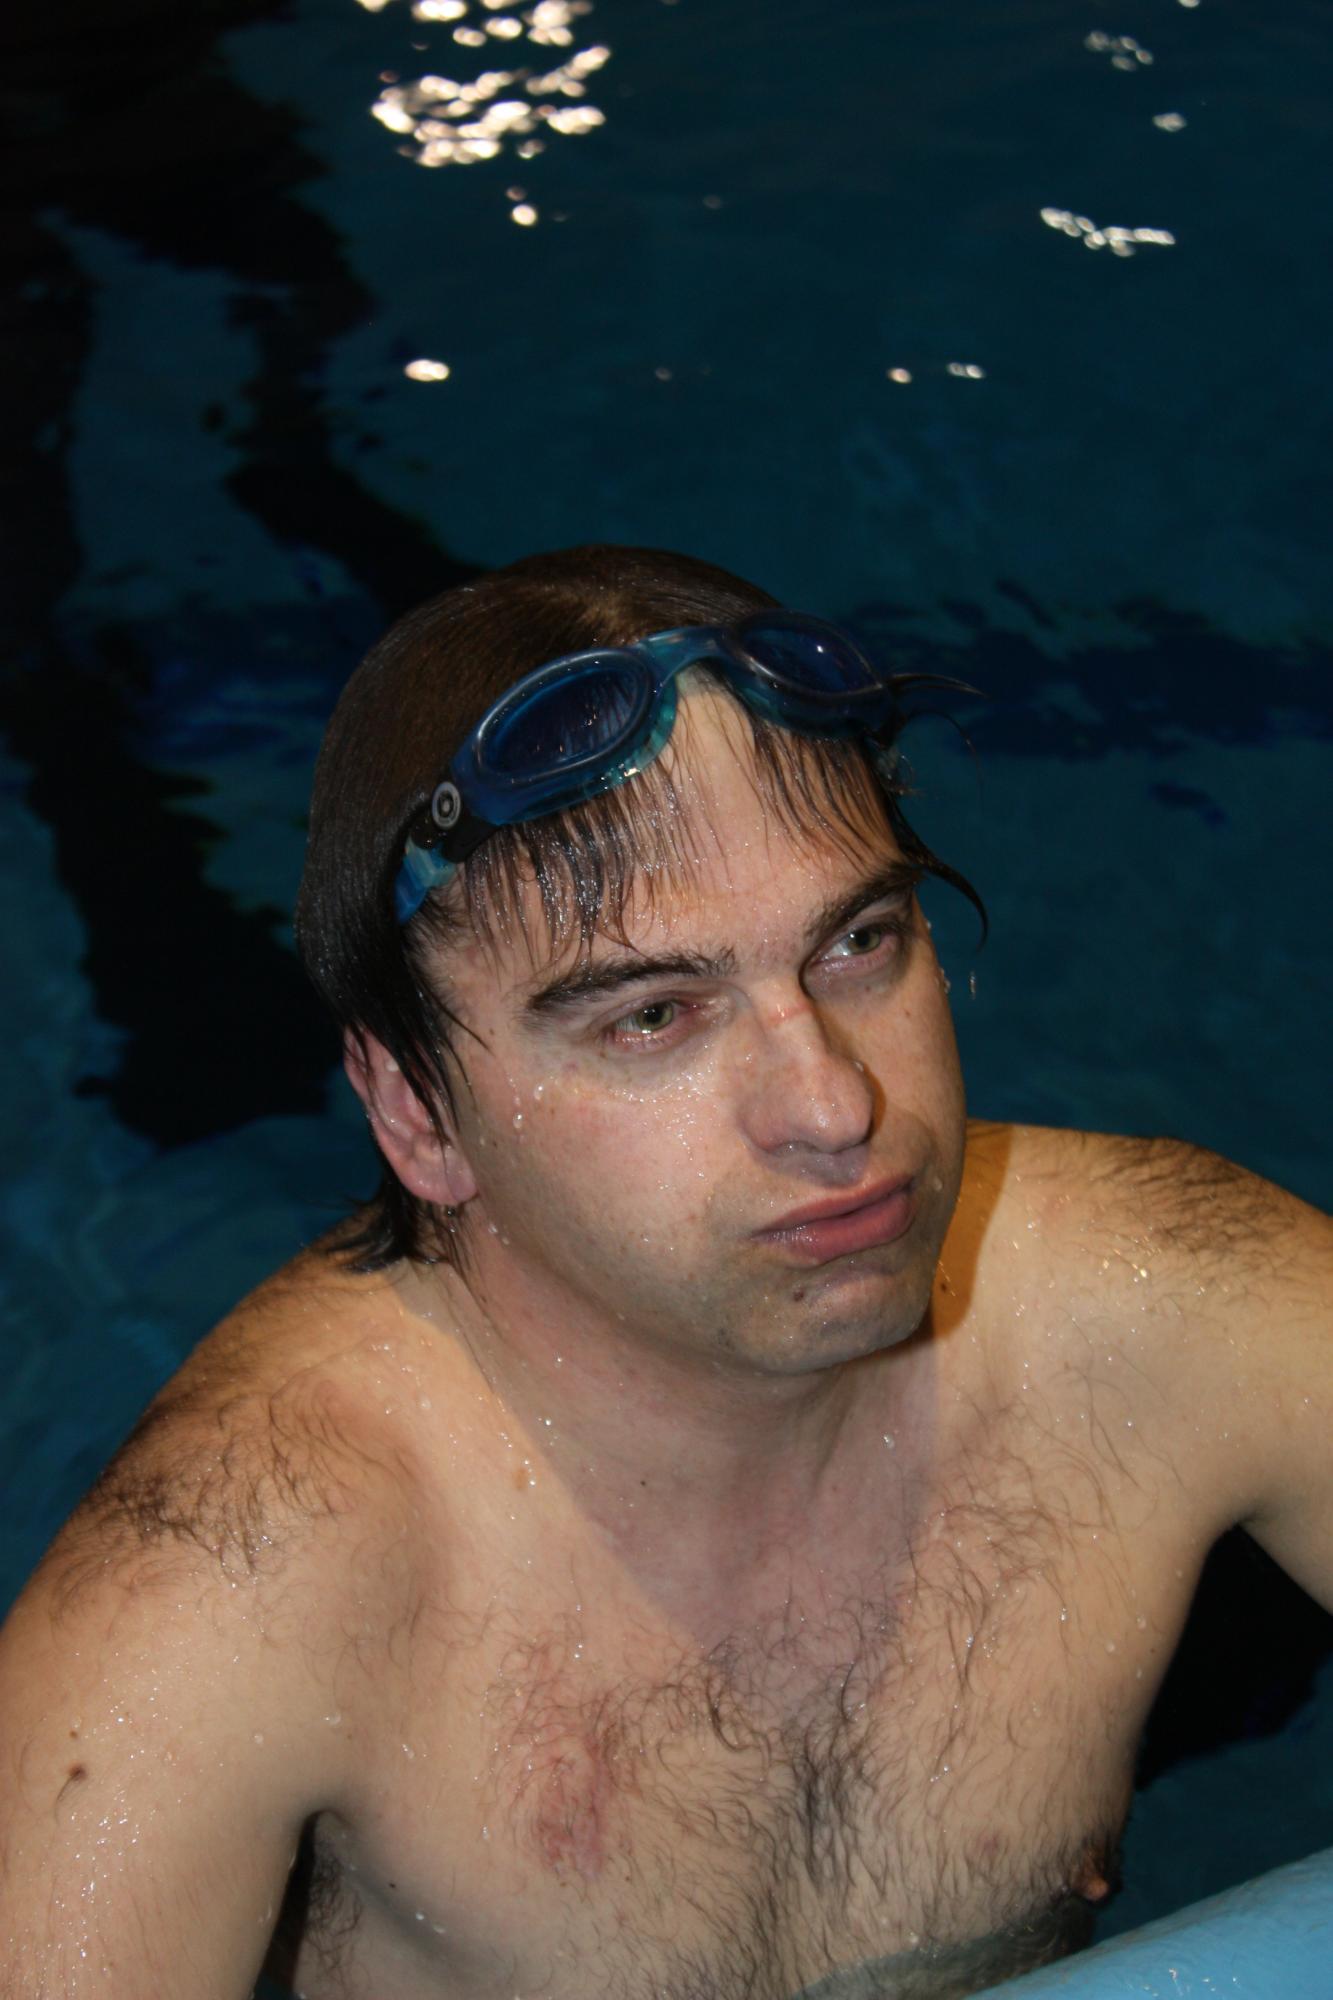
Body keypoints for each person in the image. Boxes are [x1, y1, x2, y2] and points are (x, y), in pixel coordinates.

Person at [2, 545, 1329, 2000]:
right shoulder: (228, 1594)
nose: (833, 1107)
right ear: (418, 1115)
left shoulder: (1157, 1298)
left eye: (858, 944)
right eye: (651, 1018)